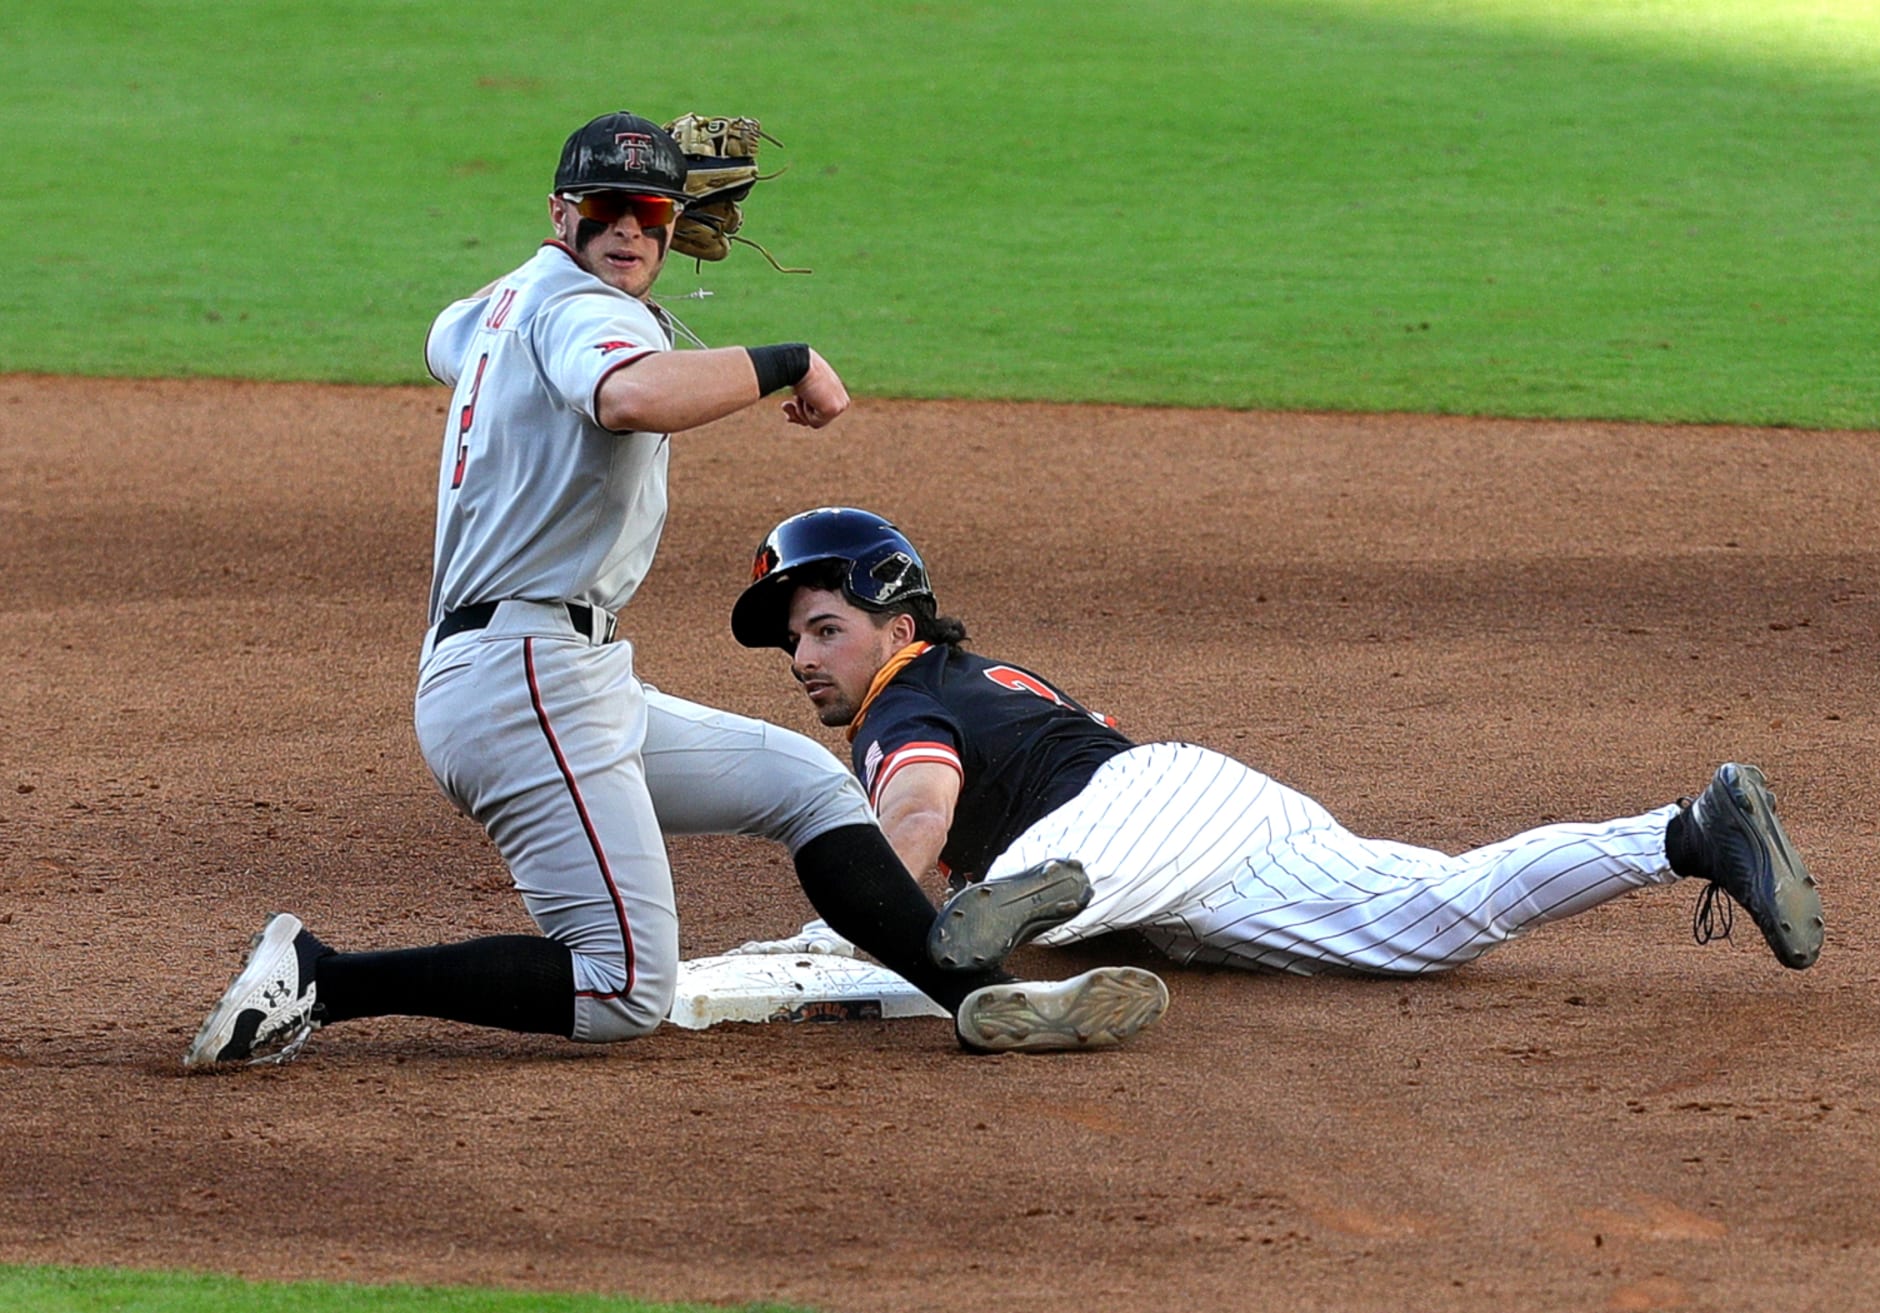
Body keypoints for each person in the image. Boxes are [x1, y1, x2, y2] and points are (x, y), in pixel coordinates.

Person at [183, 113, 1168, 1067]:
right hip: (526, 681)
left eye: (648, 214)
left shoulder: (497, 307)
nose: (627, 229)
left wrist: (616, 233)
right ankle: (318, 979)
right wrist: (787, 358)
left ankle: (974, 997)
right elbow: (627, 394)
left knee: (811, 788)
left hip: (553, 671)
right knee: (620, 989)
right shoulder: (585, 313)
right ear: (558, 211)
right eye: (604, 207)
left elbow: (454, 333)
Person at [726, 507, 1826, 980]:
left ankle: (1018, 908)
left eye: (826, 628)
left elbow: (915, 809)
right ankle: (1685, 833)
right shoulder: (959, 677)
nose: (805, 657)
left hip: (1138, 812)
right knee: (1438, 919)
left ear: (899, 624)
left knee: (975, 919)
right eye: (793, 641)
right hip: (1205, 835)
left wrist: (849, 921)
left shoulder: (903, 699)